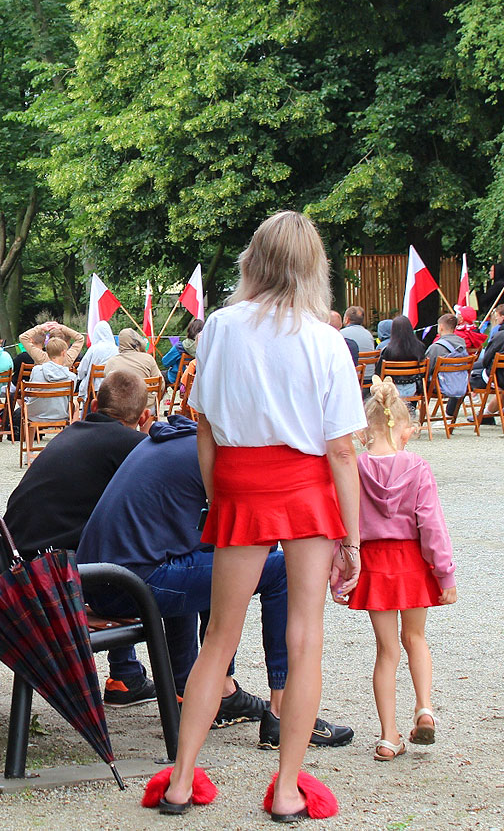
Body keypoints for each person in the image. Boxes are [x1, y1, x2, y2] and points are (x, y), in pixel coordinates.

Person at [149, 211, 365, 820]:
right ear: (312, 268)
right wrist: (352, 538)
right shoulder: (326, 338)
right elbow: (341, 448)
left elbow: (206, 426)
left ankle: (182, 779)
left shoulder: (219, 326)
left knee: (219, 634)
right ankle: (290, 787)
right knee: (305, 638)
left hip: (240, 481)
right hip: (305, 487)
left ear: (254, 260)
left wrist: (220, 497)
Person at [79, 415, 354, 744]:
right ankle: (283, 712)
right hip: (128, 583)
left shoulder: (181, 442)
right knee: (276, 570)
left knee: (217, 558)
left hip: (103, 579)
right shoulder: (224, 459)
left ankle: (210, 691)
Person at [3, 370, 157, 706]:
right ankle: (168, 682)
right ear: (144, 416)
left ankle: (127, 676)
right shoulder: (133, 445)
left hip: (17, 567)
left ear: (91, 404)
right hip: (56, 579)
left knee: (108, 549)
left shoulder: (70, 434)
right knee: (152, 563)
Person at [349, 378, 457, 761]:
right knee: (416, 639)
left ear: (365, 430)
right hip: (412, 563)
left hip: (374, 566)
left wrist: (339, 572)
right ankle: (425, 707)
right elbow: (431, 525)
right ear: (406, 431)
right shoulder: (417, 467)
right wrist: (444, 574)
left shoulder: (356, 468)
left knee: (386, 650)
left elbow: (344, 523)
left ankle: (387, 735)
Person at [13, 336, 77, 436]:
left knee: (28, 405)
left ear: (47, 353)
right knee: (75, 403)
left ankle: (29, 449)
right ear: (64, 353)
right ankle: (72, 436)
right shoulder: (71, 377)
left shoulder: (36, 370)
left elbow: (30, 392)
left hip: (34, 414)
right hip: (61, 414)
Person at [423, 313, 468, 416]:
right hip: (460, 383)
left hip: (440, 386)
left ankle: (415, 417)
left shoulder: (436, 347)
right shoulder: (462, 345)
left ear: (441, 327)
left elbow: (426, 369)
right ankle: (450, 415)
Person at [378, 315, 426, 399]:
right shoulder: (420, 347)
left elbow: (379, 373)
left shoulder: (388, 350)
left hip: (392, 391)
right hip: (414, 389)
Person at [18, 321, 85, 369]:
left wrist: (41, 327)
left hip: (41, 388)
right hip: (62, 388)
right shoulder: (68, 359)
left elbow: (23, 337)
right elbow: (80, 338)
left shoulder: (42, 357)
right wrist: (62, 327)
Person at [77, 320, 118, 398]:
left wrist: (79, 377)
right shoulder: (117, 349)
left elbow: (83, 368)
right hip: (113, 387)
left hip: (94, 389)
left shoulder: (94, 349)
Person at [161, 318, 203, 386]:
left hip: (175, 378)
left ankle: (156, 396)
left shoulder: (180, 347)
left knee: (159, 375)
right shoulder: (204, 349)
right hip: (194, 380)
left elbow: (165, 362)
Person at [341, 306, 376, 377]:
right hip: (369, 376)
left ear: (347, 319)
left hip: (353, 378)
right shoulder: (368, 334)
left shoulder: (341, 334)